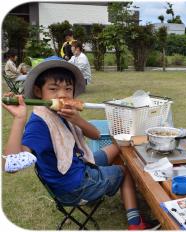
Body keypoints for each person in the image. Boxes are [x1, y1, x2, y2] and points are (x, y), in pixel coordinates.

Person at [2, 59, 159, 230]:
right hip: (73, 187)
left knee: (117, 147)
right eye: (53, 89)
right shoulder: (39, 124)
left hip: (78, 165)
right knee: (125, 171)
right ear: (38, 91)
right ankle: (135, 223)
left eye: (68, 89)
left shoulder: (65, 113)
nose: (62, 94)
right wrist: (19, 119)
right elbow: (11, 164)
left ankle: (105, 185)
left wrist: (76, 119)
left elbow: (96, 135)